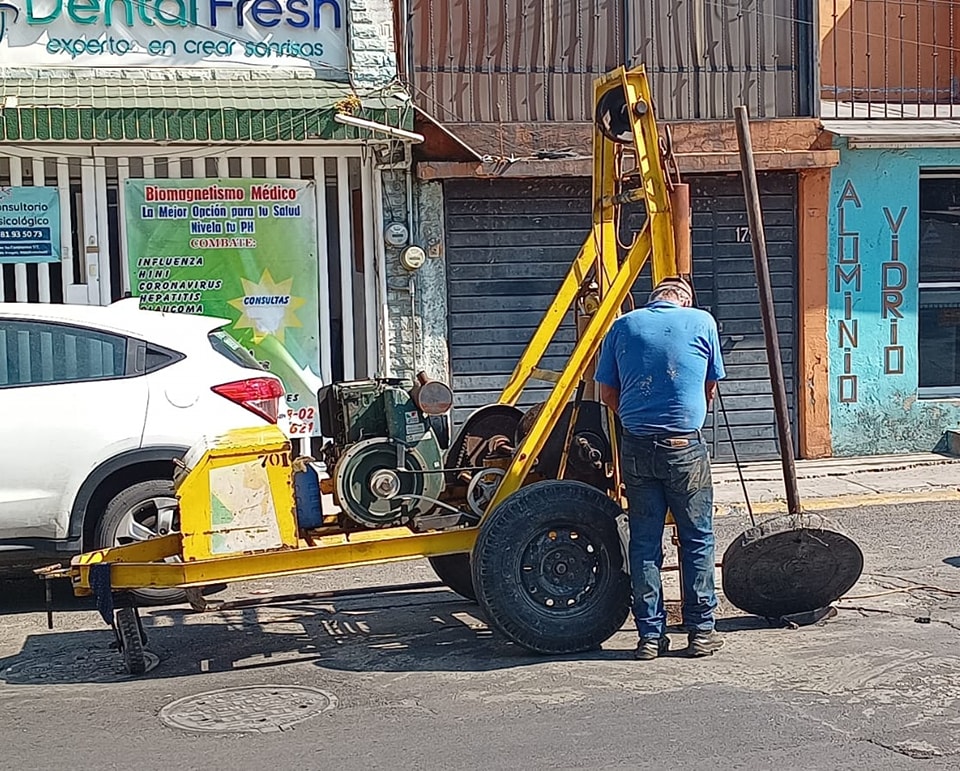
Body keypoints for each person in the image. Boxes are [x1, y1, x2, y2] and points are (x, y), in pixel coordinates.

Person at [595, 276, 726, 660]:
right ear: (682, 299)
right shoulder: (702, 321)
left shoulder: (622, 325)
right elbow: (709, 386)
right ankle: (701, 631)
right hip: (685, 448)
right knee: (697, 538)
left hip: (637, 447)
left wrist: (637, 422)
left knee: (645, 542)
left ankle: (650, 637)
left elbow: (606, 393)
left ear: (654, 300)